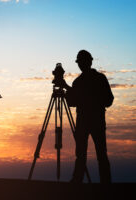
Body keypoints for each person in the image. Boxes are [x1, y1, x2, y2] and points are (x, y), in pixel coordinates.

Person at [61, 50, 114, 183]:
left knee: (93, 154)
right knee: (86, 154)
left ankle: (83, 180)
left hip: (91, 121)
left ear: (89, 62)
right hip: (89, 121)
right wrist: (68, 92)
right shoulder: (81, 81)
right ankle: (99, 182)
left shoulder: (89, 80)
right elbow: (73, 102)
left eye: (82, 62)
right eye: (80, 62)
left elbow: (108, 100)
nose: (81, 65)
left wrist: (69, 90)